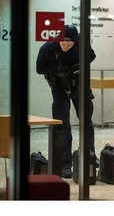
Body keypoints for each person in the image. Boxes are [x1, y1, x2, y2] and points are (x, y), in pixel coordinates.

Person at [36, 24, 98, 178]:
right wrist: (57, 71)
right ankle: (65, 163)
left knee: (86, 121)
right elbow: (39, 68)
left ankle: (90, 155)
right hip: (59, 87)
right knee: (62, 124)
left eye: (69, 42)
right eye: (63, 42)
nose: (65, 45)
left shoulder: (81, 44)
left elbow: (91, 56)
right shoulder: (48, 48)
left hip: (78, 85)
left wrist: (75, 69)